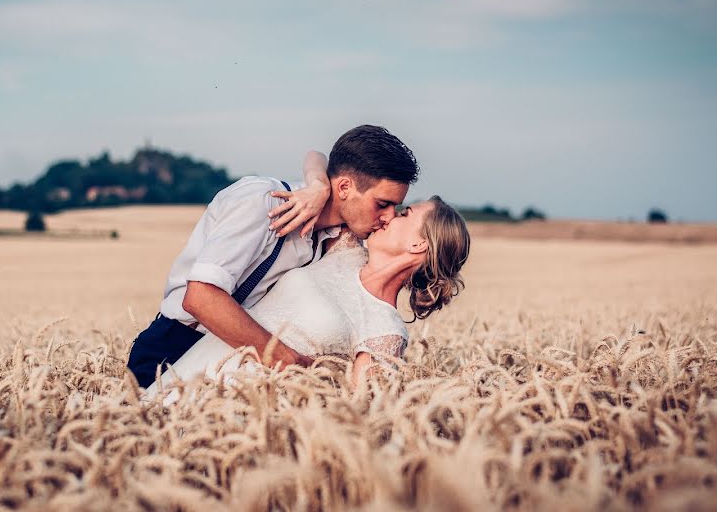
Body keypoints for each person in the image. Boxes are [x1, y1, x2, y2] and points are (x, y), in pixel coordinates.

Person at [126, 125, 420, 388]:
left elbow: (317, 156)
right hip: (172, 348)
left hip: (238, 365)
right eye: (382, 204)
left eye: (396, 207)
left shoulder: (337, 236)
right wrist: (289, 361)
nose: (388, 217)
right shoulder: (261, 201)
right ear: (343, 187)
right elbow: (200, 297)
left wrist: (317, 182)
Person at [144, 196, 471, 398]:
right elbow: (338, 176)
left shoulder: (386, 330)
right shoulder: (344, 248)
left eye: (405, 214)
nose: (389, 214)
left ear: (419, 245)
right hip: (192, 370)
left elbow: (356, 412)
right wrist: (315, 186)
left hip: (238, 410)